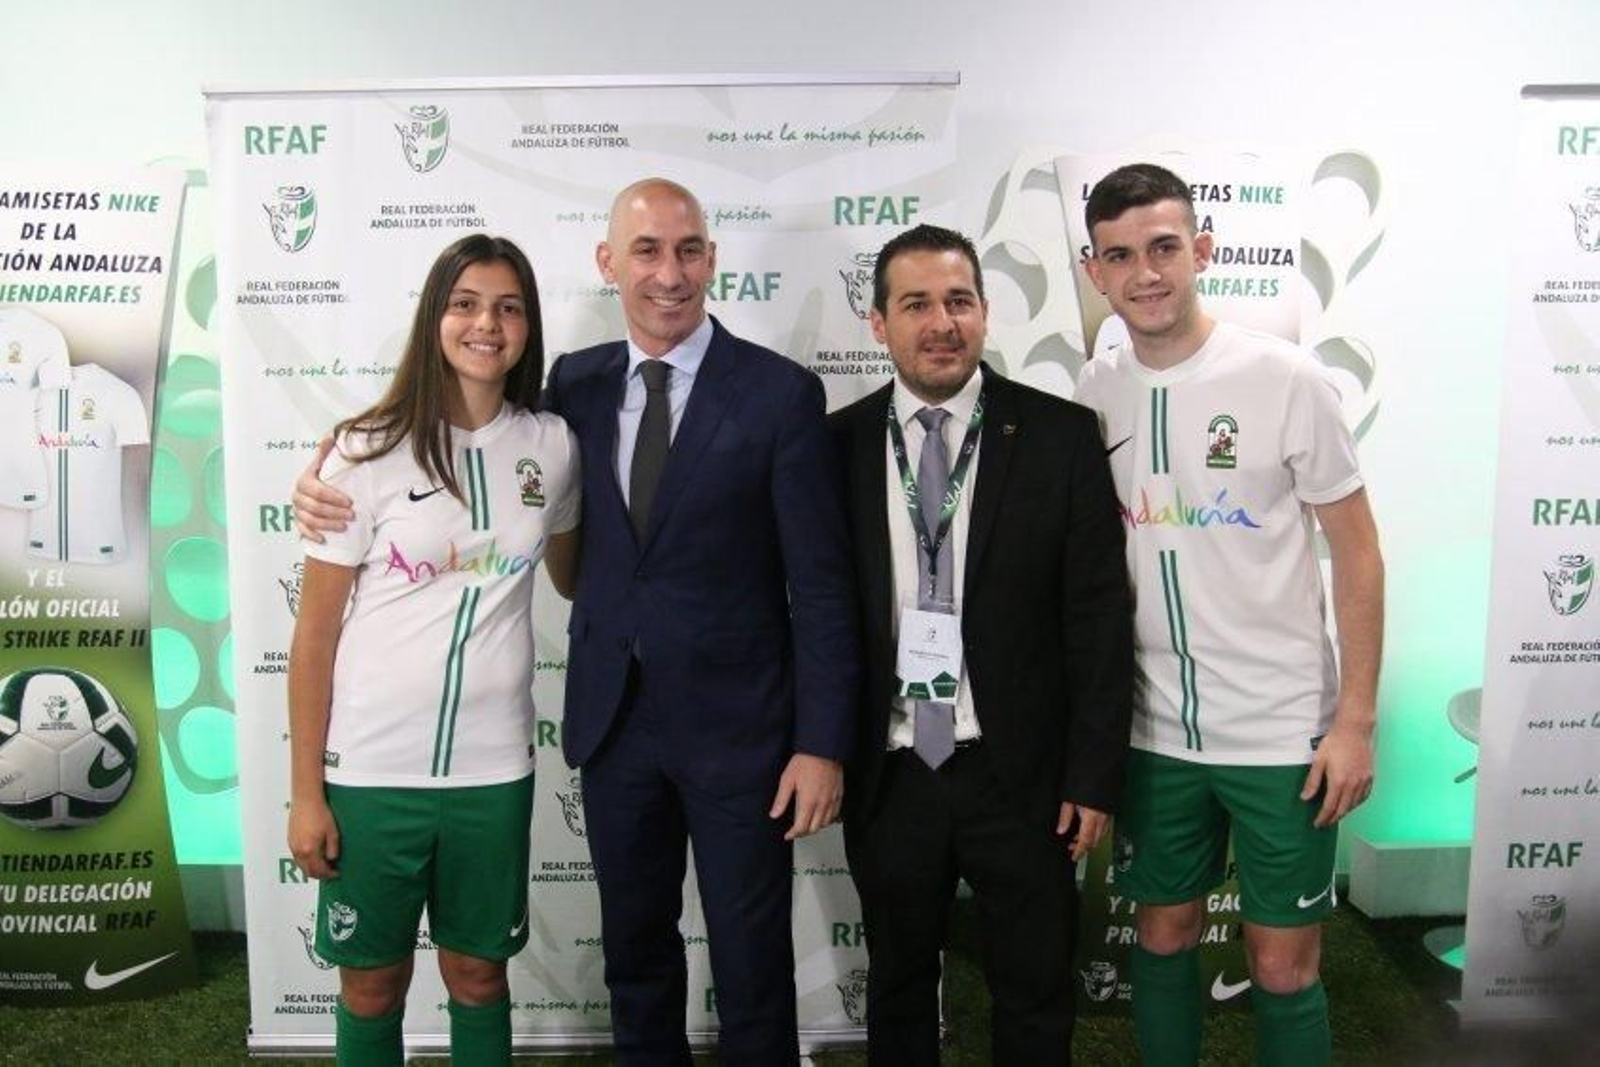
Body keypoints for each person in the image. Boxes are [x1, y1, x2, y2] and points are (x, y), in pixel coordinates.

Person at [296, 179, 858, 1065]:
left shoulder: (780, 395)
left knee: (751, 964)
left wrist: (821, 742)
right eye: (645, 250)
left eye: (686, 250)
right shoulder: (577, 389)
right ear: (608, 263)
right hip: (614, 727)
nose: (668, 273)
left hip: (743, 734)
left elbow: (823, 588)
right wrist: (332, 464)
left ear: (711, 259)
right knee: (635, 955)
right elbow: (560, 539)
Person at [1072, 164, 1385, 1067]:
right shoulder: (1097, 391)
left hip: (1283, 733)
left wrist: (1354, 721)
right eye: (1121, 255)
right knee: (1161, 937)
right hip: (1154, 729)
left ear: (1202, 251)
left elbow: (1358, 549)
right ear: (1096, 271)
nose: (1146, 273)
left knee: (1282, 964)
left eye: (1165, 247)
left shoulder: (1286, 377)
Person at [830, 223, 1133, 1065]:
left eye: (959, 301)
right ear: (878, 323)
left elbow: (1098, 617)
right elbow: (816, 619)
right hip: (891, 772)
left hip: (1022, 777)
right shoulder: (836, 446)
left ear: (985, 313)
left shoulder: (1061, 435)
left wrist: (1091, 774)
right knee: (896, 989)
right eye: (916, 303)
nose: (941, 322)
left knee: (1035, 994)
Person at [286, 234, 580, 1066]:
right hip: (373, 773)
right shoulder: (365, 450)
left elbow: (579, 575)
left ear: (527, 327)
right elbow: (312, 639)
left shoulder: (553, 446)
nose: (487, 322)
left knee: (480, 974)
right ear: (434, 317)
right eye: (466, 302)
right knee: (371, 984)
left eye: (509, 306)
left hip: (493, 774)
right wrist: (305, 792)